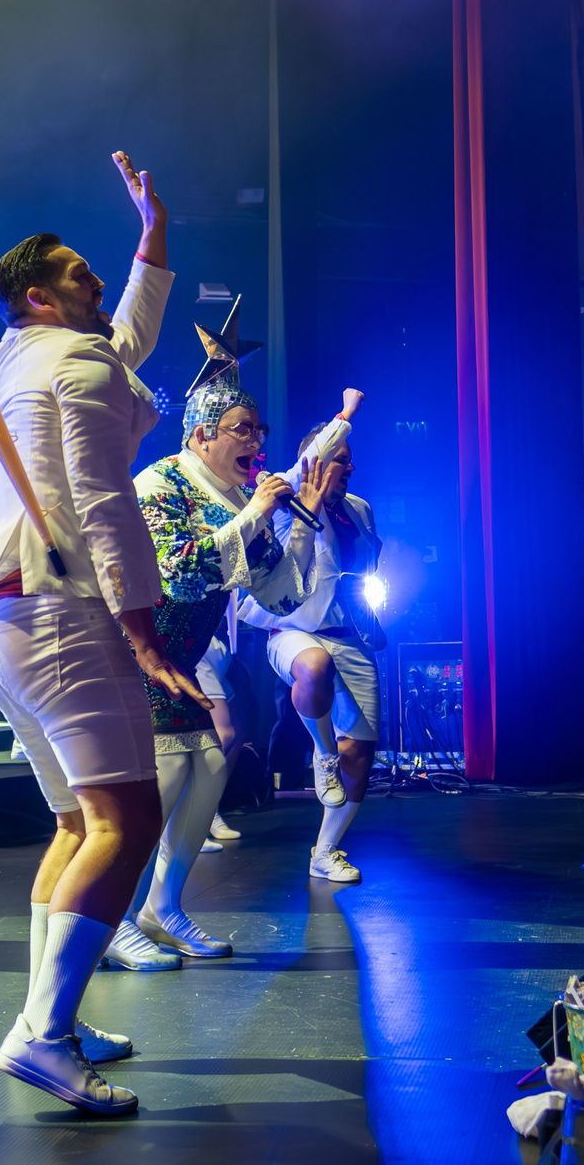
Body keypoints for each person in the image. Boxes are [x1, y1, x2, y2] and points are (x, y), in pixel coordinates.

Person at [0, 153, 205, 1118]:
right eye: (79, 274)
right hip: (63, 610)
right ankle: (44, 1035)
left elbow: (121, 342)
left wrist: (152, 238)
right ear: (38, 296)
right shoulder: (78, 363)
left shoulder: (29, 355)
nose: (97, 280)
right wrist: (144, 634)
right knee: (126, 824)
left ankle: (51, 1015)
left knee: (77, 824)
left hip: (6, 619)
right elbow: (105, 503)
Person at [109, 372, 343, 966]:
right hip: (133, 658)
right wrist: (259, 510)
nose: (256, 441)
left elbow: (281, 595)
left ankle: (162, 908)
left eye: (259, 430)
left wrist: (302, 519)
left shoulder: (237, 499)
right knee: (161, 784)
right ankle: (114, 920)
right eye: (243, 430)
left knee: (212, 766)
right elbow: (182, 574)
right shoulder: (160, 484)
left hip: (179, 662)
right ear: (202, 436)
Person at [235, 414, 384, 883]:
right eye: (341, 459)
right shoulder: (287, 499)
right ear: (315, 463)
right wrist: (347, 414)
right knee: (314, 667)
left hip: (348, 636)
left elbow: (362, 567)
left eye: (351, 460)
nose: (350, 467)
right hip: (293, 631)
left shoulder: (359, 509)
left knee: (360, 753)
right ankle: (322, 754)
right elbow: (310, 459)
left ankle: (326, 851)